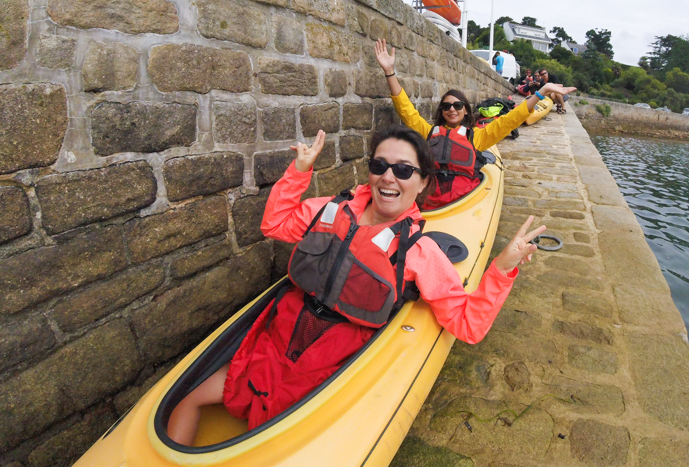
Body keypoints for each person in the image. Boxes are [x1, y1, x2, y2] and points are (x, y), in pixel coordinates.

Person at [166, 124, 547, 446]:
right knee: (186, 402)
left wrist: (501, 267)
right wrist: (299, 171)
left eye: (403, 170)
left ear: (423, 182)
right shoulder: (331, 210)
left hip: (331, 361)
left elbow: (468, 324)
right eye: (380, 165)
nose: (389, 177)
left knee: (274, 441)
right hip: (277, 340)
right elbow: (275, 225)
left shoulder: (418, 251)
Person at [374, 39, 576, 209]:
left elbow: (512, 119)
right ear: (441, 112)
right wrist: (389, 71)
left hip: (460, 200)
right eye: (446, 106)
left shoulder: (477, 138)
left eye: (457, 105)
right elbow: (405, 108)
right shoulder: (428, 133)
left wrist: (541, 93)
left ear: (465, 110)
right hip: (429, 197)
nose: (451, 109)